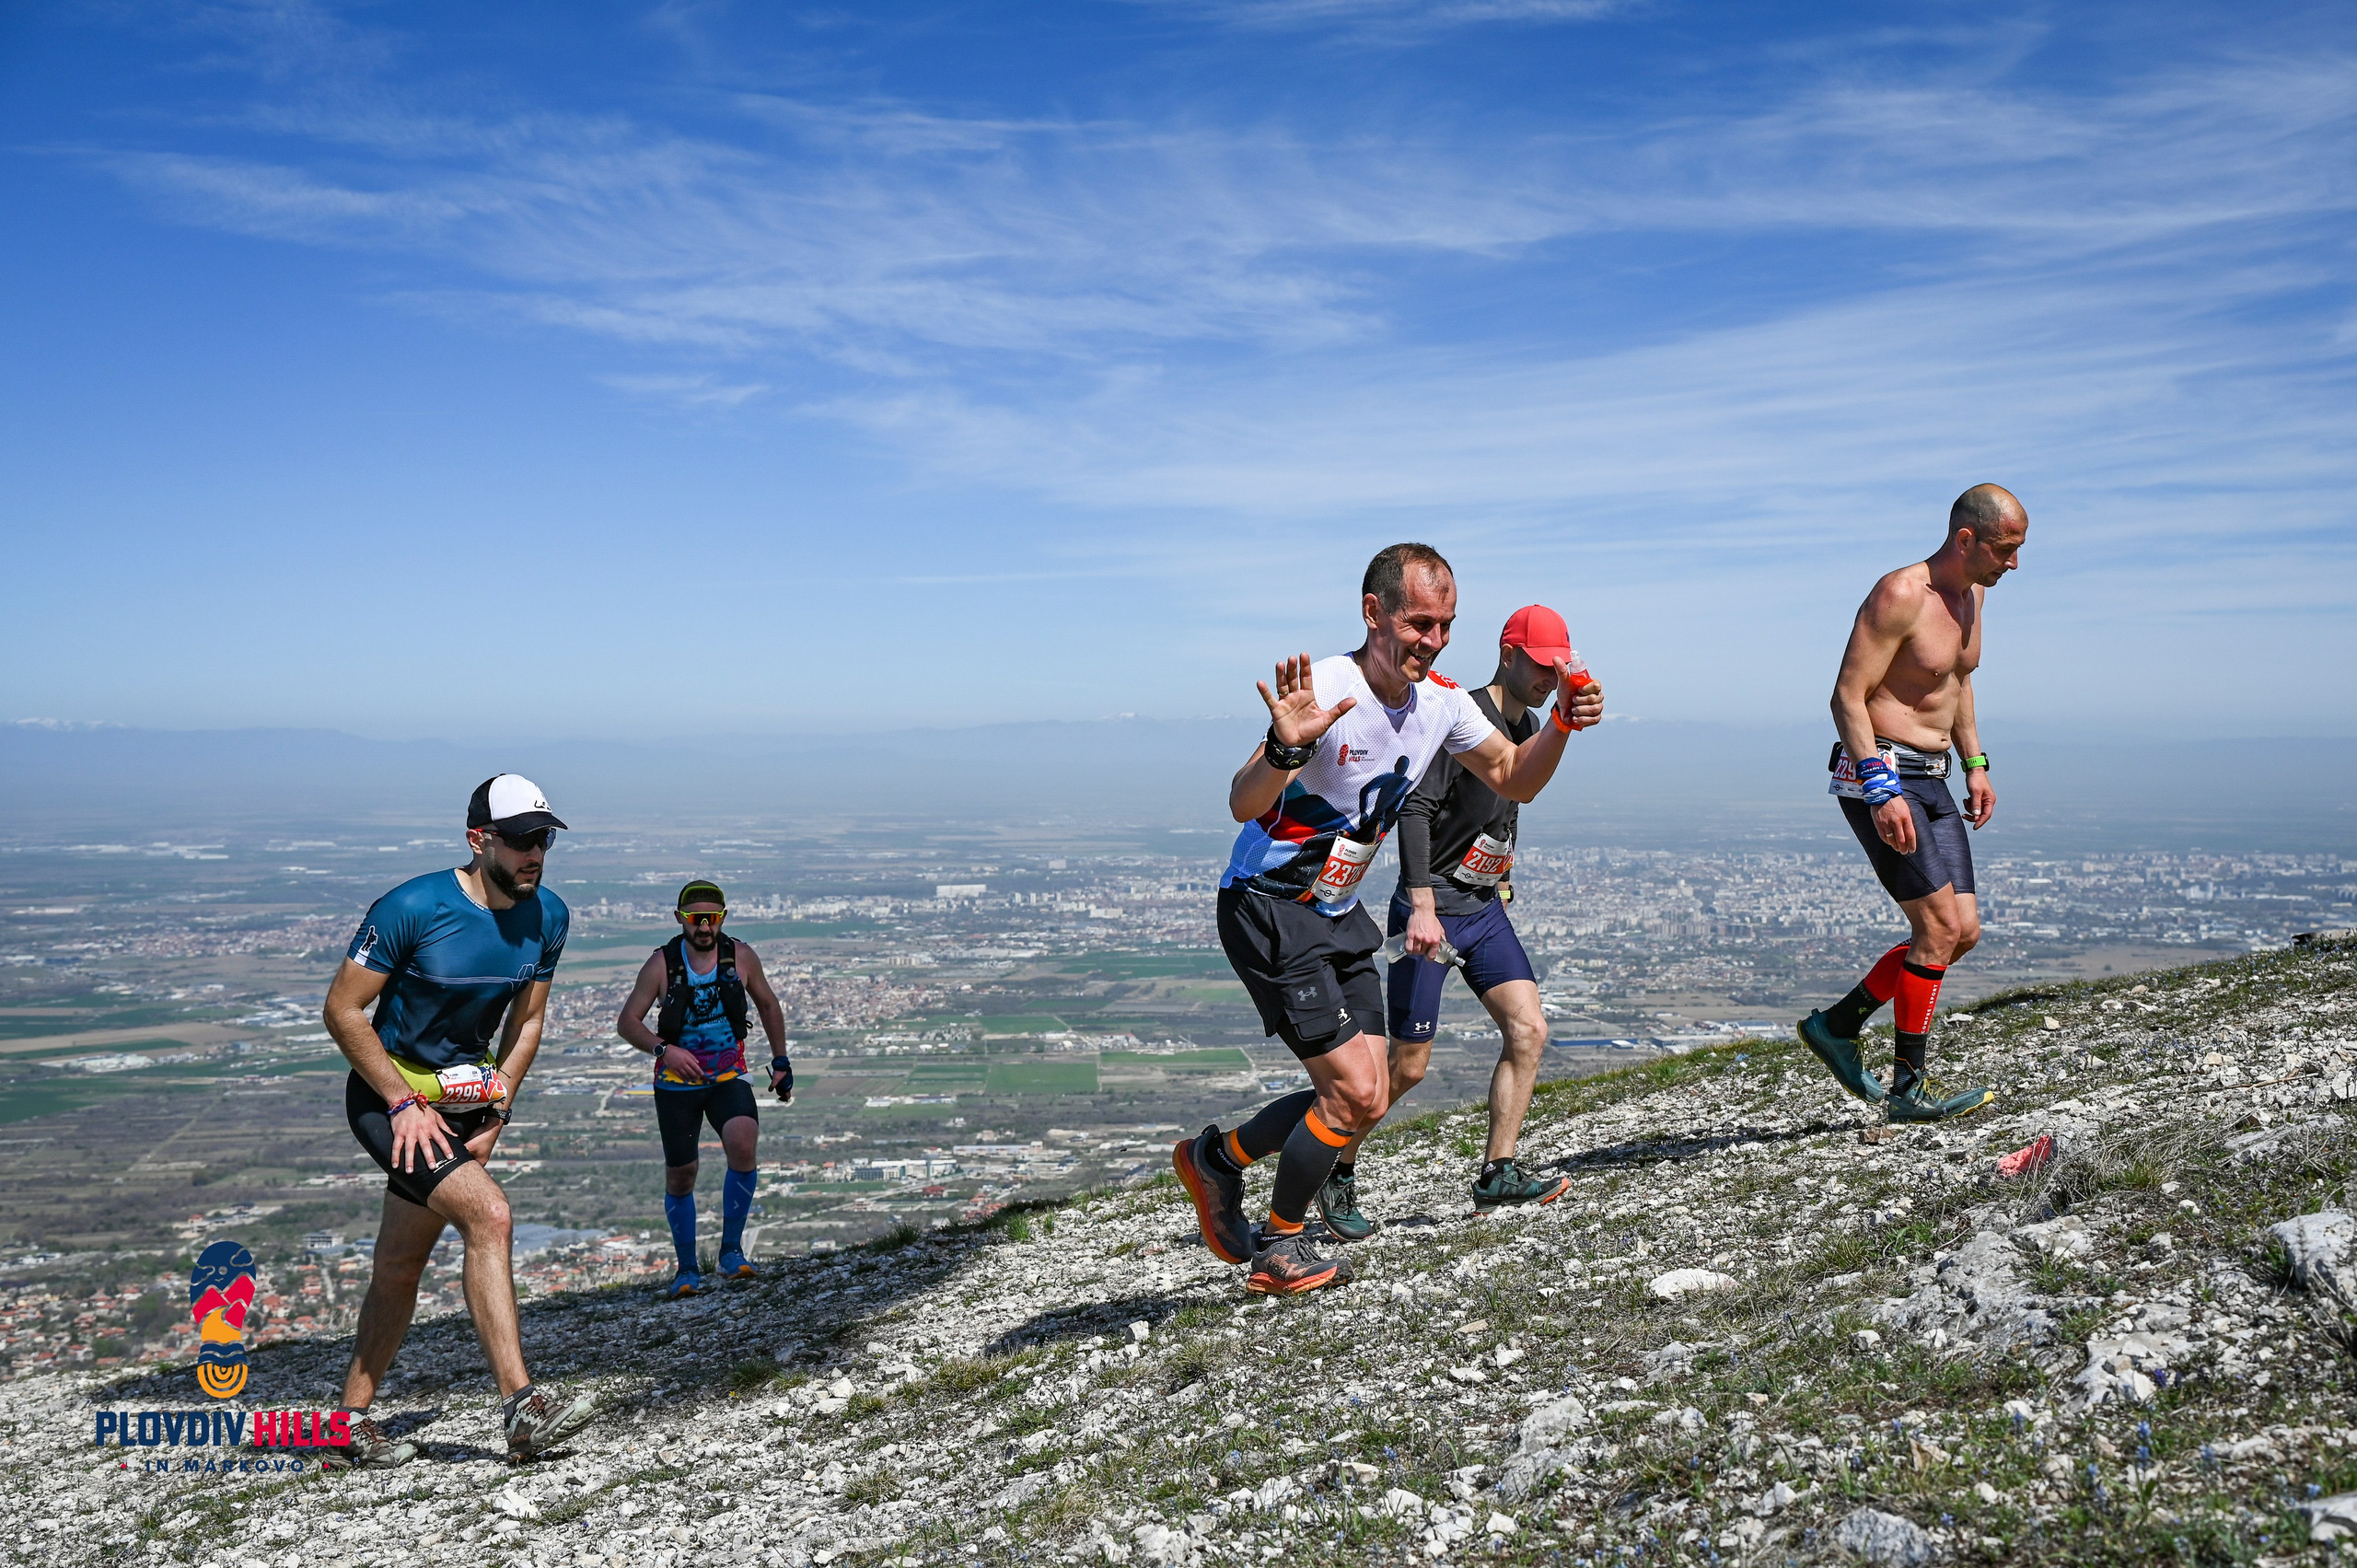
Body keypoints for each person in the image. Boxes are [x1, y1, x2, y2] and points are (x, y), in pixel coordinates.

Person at [1172, 544, 1605, 1295]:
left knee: (1371, 1087)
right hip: (1269, 905)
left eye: (1446, 625)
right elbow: (1244, 801)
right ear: (1372, 613)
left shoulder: (1440, 701)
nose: (1434, 640)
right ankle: (1280, 1246)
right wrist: (1283, 747)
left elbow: (1514, 777)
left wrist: (1561, 722)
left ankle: (1218, 1160)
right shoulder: (1329, 688)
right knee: (1352, 1093)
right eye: (1418, 623)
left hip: (1337, 911)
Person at [321, 774, 598, 1467]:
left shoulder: (550, 916)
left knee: (399, 1265)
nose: (537, 852)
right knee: (491, 1215)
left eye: (546, 838)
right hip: (390, 1102)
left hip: (463, 1104)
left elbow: (527, 1021)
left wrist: (498, 1102)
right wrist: (402, 1103)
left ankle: (342, 1427)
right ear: (480, 839)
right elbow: (342, 1011)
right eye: (523, 839)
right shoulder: (413, 906)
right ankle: (522, 1409)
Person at [1318, 606, 1590, 1238]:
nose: (1549, 678)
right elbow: (1414, 811)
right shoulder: (1460, 717)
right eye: (1540, 666)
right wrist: (1421, 904)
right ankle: (1336, 1167)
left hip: (1484, 906)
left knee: (1529, 1029)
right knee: (1407, 1067)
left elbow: (1516, 790)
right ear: (1508, 653)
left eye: (1558, 669)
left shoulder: (1527, 725)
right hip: (1434, 907)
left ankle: (1498, 1172)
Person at [1798, 484, 2026, 1123]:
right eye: (2004, 550)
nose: (2012, 564)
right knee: (1937, 929)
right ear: (1966, 540)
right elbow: (1848, 695)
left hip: (1935, 775)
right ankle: (1908, 1086)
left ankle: (1838, 1026)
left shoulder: (1973, 596)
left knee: (1963, 931)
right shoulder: (1901, 594)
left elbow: (1957, 683)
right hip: (1882, 774)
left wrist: (1976, 762)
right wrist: (1878, 786)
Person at [616, 880, 792, 1297]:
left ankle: (732, 1253)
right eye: (696, 919)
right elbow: (628, 1022)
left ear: (723, 918)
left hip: (728, 1076)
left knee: (744, 1141)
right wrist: (664, 1051)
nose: (705, 927)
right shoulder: (661, 964)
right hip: (676, 1084)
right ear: (680, 919)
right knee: (682, 1175)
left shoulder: (741, 957)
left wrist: (781, 1060)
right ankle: (687, 1268)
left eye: (712, 918)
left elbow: (767, 1004)